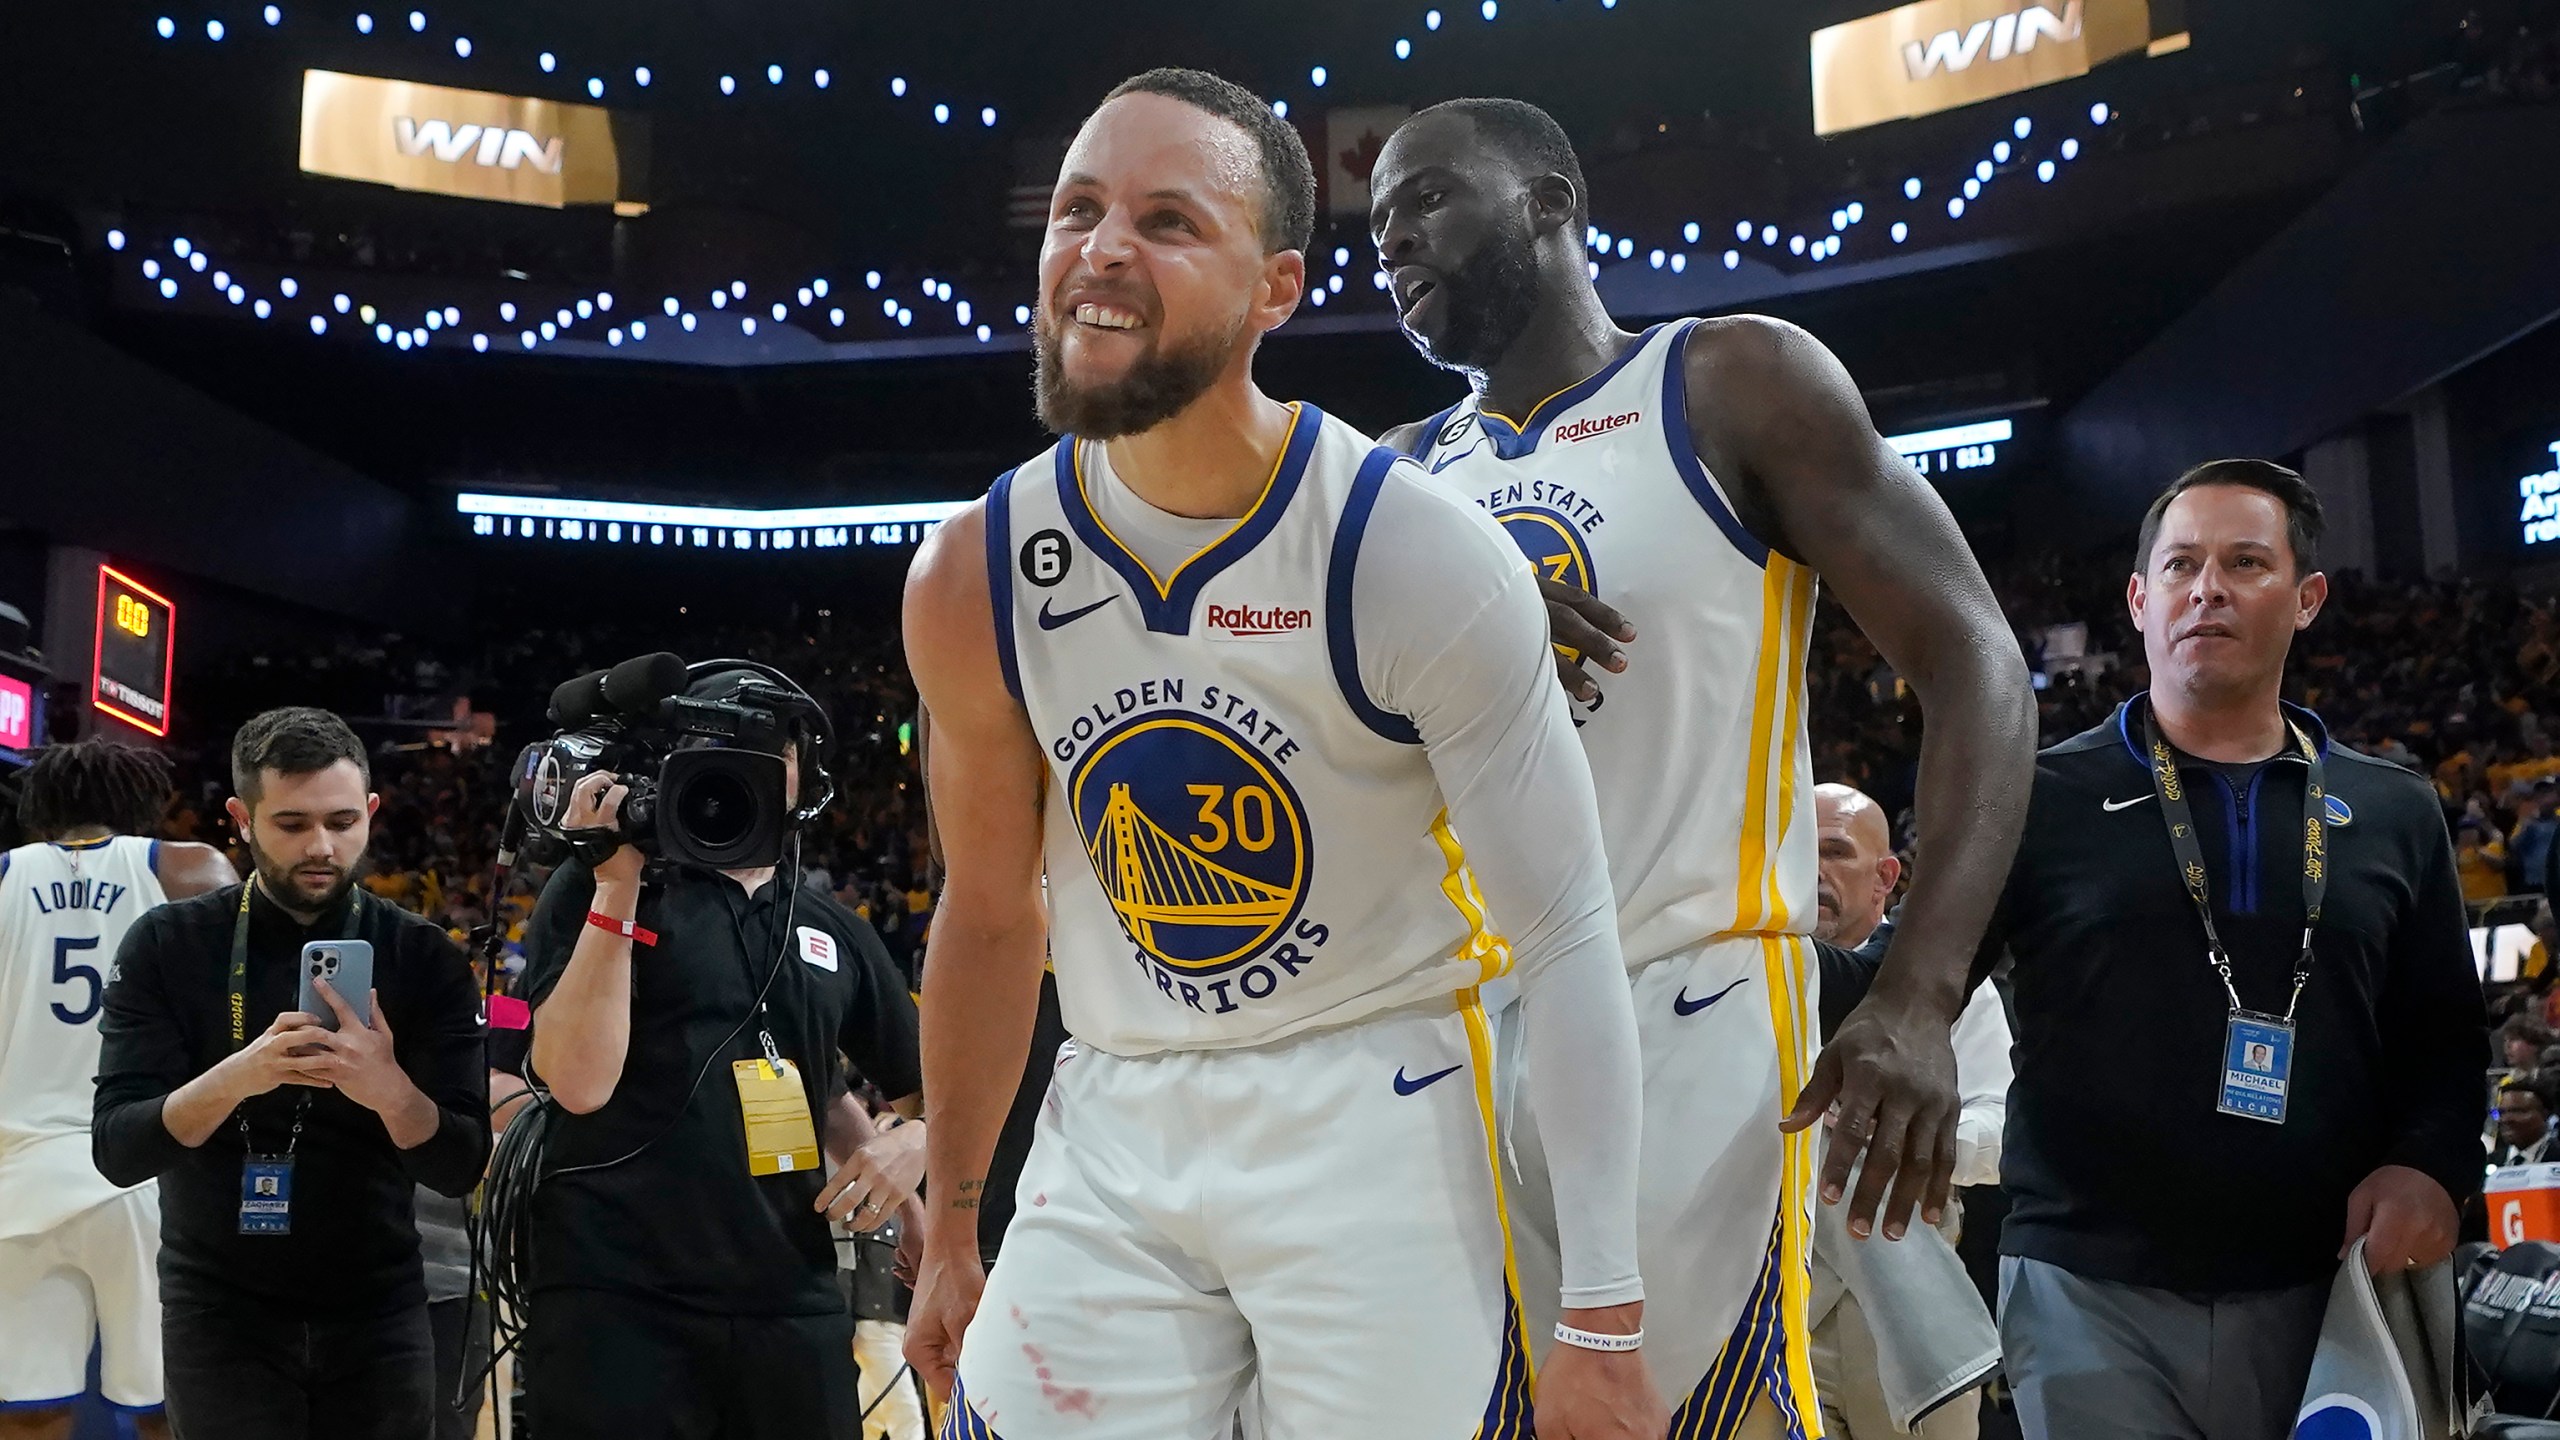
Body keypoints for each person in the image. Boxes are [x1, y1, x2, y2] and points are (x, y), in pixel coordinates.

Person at [903, 67, 1658, 1440]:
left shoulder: (1417, 553)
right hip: (1116, 1110)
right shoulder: (975, 570)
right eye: (1079, 209)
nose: (1102, 249)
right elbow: (991, 913)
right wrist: (955, 1221)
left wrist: (1602, 1315)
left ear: (1278, 289)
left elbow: (1565, 934)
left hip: (1376, 1103)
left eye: (1168, 220)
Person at [1367, 97, 2036, 1428]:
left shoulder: (1732, 379)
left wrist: (1915, 994)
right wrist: (1437, 664)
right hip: (1454, 1037)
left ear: (1551, 201)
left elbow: (1979, 667)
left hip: (1692, 993)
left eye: (1427, 198)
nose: (1391, 241)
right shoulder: (1393, 481)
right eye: (1377, 223)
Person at [1978, 462, 2489, 1440]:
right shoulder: (2034, 797)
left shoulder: (2393, 809)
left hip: (2324, 1283)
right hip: (2088, 1281)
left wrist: (2431, 1165)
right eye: (2181, 565)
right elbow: (1916, 977)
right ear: (2139, 599)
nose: (2205, 587)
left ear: (2306, 600)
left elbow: (2443, 1037)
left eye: (2244, 562)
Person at [522, 667, 925, 1440]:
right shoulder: (594, 885)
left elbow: (905, 1095)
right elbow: (576, 1084)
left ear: (806, 777)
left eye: (768, 752)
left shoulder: (831, 925)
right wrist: (616, 884)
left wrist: (913, 1163)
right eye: (717, 747)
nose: (742, 767)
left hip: (790, 1292)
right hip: (617, 1296)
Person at [92, 707, 490, 1440]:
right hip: (221, 1312)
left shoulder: (424, 956)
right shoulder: (169, 944)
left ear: (372, 811)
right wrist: (239, 1076)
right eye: (292, 823)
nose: (322, 847)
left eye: (342, 822)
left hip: (379, 1308)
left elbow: (460, 1163)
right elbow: (119, 1150)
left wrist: (389, 1092)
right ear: (240, 818)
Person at [0, 742, 233, 1440]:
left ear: (39, 810)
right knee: (171, 1411)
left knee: (30, 1410)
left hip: (20, 1177)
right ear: (143, 805)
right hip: (146, 1173)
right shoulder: (191, 868)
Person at [1805, 784, 2008, 1440]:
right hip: (1769, 1298)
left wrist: (1914, 1134)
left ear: (1884, 878)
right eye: (1795, 853)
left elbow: (2004, 1126)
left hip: (1906, 1294)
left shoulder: (1946, 991)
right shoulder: (1745, 977)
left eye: (1835, 853)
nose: (1811, 872)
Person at [2492, 1077, 2554, 1167]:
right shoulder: (2487, 1163)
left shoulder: (2556, 1158)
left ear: (2544, 1114)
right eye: (2502, 1112)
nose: (2506, 1119)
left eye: (2517, 1111)